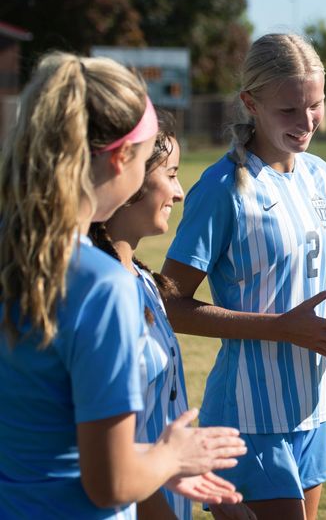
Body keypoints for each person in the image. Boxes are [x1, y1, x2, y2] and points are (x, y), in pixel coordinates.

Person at [0, 52, 247, 519]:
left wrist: (155, 465)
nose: (176, 189)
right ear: (119, 160)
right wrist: (172, 454)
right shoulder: (100, 285)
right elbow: (110, 484)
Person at [161, 34, 326, 520]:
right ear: (251, 103)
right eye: (288, 110)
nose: (306, 122)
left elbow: (306, 285)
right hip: (249, 416)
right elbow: (168, 304)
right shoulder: (223, 187)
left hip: (313, 408)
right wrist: (279, 328)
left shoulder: (323, 178)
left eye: (315, 105)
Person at [88, 110, 196, 519]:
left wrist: (184, 474)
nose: (180, 191)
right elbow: (110, 450)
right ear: (129, 174)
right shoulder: (103, 291)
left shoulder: (145, 282)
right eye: (170, 174)